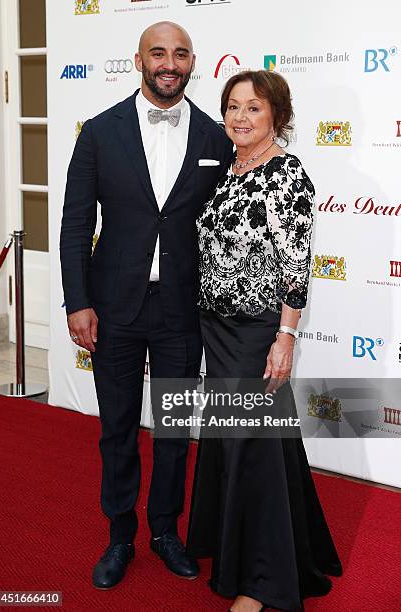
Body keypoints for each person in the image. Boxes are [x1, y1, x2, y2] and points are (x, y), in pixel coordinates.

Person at [60, 21, 233, 590]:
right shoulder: (100, 132)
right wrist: (78, 301)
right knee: (116, 428)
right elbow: (76, 223)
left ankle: (165, 531)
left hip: (184, 310)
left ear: (192, 62)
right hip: (114, 307)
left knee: (176, 429)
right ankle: (119, 536)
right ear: (138, 60)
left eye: (180, 53)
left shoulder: (214, 137)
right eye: (158, 52)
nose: (169, 62)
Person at [186, 70, 342, 611]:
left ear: (277, 113)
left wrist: (286, 335)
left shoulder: (286, 173)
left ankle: (263, 578)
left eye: (254, 107)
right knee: (253, 440)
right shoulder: (231, 169)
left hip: (256, 330)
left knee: (251, 443)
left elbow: (294, 261)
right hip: (217, 326)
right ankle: (268, 544)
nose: (240, 117)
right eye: (232, 107)